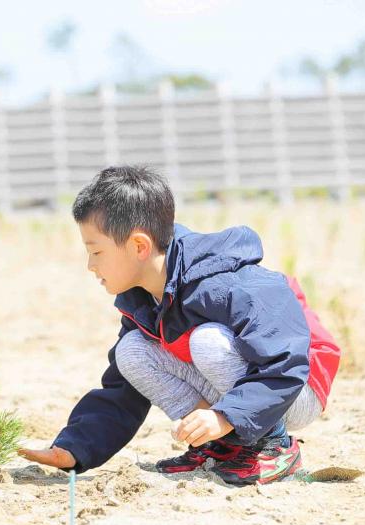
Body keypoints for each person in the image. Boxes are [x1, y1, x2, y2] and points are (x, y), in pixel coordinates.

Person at [20, 165, 340, 486]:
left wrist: (225, 416)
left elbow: (284, 360)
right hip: (255, 387)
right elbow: (122, 389)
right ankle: (224, 447)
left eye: (96, 251)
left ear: (139, 247)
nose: (91, 265)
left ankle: (274, 446)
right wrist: (75, 449)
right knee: (131, 352)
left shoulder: (220, 281)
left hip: (296, 384)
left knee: (208, 341)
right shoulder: (141, 299)